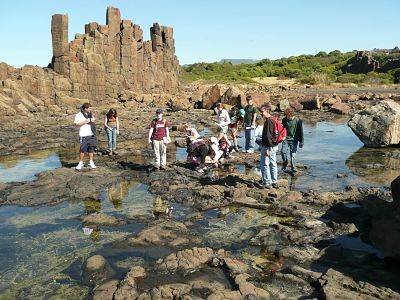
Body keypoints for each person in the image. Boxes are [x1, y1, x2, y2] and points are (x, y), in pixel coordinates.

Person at [259, 105, 284, 188]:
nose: (261, 113)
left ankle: (267, 182)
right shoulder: (274, 119)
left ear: (267, 111)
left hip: (268, 146)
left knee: (264, 164)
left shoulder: (269, 121)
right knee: (273, 163)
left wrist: (267, 148)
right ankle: (274, 181)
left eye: (262, 111)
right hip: (274, 145)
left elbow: (268, 136)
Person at [74, 103, 97, 170]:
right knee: (82, 149)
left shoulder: (90, 114)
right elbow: (76, 124)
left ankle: (91, 161)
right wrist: (85, 122)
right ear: (85, 108)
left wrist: (92, 121)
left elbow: (93, 120)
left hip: (91, 134)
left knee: (91, 148)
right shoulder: (79, 115)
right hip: (83, 135)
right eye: (89, 108)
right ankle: (80, 162)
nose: (91, 109)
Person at [281, 108, 304, 173]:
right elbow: (282, 129)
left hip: (294, 140)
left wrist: (301, 142)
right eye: (285, 116)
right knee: (283, 152)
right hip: (285, 139)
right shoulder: (284, 120)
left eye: (287, 116)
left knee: (292, 154)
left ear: (291, 115)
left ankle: (293, 167)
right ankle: (285, 162)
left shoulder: (298, 121)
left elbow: (301, 132)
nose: (286, 117)